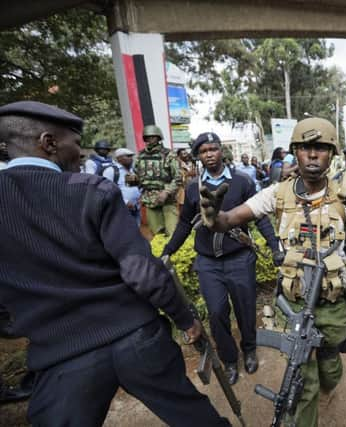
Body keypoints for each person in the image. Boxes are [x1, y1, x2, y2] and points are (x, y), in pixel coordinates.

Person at [0, 101, 228, 426]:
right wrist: (186, 320)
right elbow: (142, 272)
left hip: (62, 356)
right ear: (48, 142)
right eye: (75, 144)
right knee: (194, 417)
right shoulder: (90, 191)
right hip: (135, 337)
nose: (80, 154)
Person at [197, 118, 346, 427]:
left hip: (334, 303)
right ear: (295, 153)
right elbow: (230, 219)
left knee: (330, 366)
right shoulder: (278, 194)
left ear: (331, 154)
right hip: (294, 304)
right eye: (306, 148)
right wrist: (213, 217)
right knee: (303, 379)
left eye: (321, 148)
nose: (313, 155)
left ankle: (330, 375)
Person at [162, 132, 280, 386]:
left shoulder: (242, 181)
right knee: (216, 313)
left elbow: (260, 218)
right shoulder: (193, 188)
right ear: (199, 156)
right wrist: (168, 250)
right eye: (203, 151)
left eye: (213, 149)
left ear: (221, 151)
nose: (209, 154)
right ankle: (229, 359)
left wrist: (275, 246)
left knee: (245, 309)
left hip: (239, 258)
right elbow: (184, 224)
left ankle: (249, 349)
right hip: (208, 263)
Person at [136, 125, 182, 237]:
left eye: (153, 137)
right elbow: (139, 176)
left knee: (172, 233)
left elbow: (178, 178)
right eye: (147, 137)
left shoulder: (169, 154)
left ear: (159, 138)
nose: (150, 140)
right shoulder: (141, 156)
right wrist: (134, 179)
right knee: (157, 235)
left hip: (167, 200)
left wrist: (166, 192)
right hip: (150, 200)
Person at [114, 147, 142, 227]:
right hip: (122, 209)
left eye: (131, 156)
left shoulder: (132, 170)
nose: (131, 158)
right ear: (119, 158)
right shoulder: (112, 171)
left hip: (136, 207)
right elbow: (108, 190)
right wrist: (125, 202)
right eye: (128, 156)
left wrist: (139, 196)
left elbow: (134, 186)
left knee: (136, 230)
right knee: (125, 231)